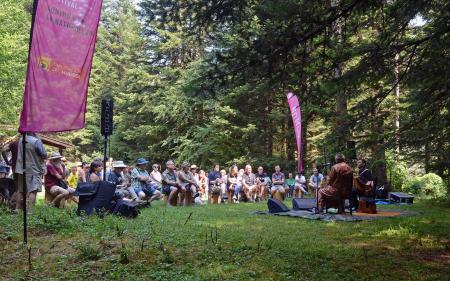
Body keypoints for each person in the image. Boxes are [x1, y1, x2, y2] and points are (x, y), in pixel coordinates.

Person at [15, 133, 47, 213]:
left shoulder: (21, 139)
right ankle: (29, 211)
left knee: (21, 190)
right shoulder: (36, 141)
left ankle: (17, 209)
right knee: (33, 190)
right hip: (33, 169)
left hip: (21, 168)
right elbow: (44, 155)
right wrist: (39, 139)